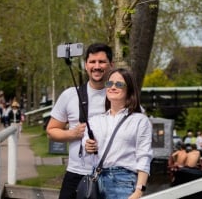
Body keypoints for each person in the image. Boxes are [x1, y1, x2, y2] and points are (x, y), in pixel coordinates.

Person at [46, 43, 114, 199]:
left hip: (111, 174)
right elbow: (51, 130)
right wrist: (73, 134)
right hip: (76, 174)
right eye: (92, 62)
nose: (97, 66)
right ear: (85, 65)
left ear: (111, 65)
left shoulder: (119, 94)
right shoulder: (70, 95)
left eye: (102, 62)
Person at [84, 68, 153, 199]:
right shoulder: (95, 121)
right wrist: (87, 147)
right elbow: (86, 152)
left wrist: (139, 191)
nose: (113, 87)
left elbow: (144, 157)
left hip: (123, 182)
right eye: (109, 84)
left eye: (119, 84)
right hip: (95, 181)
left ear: (129, 89)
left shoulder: (140, 120)